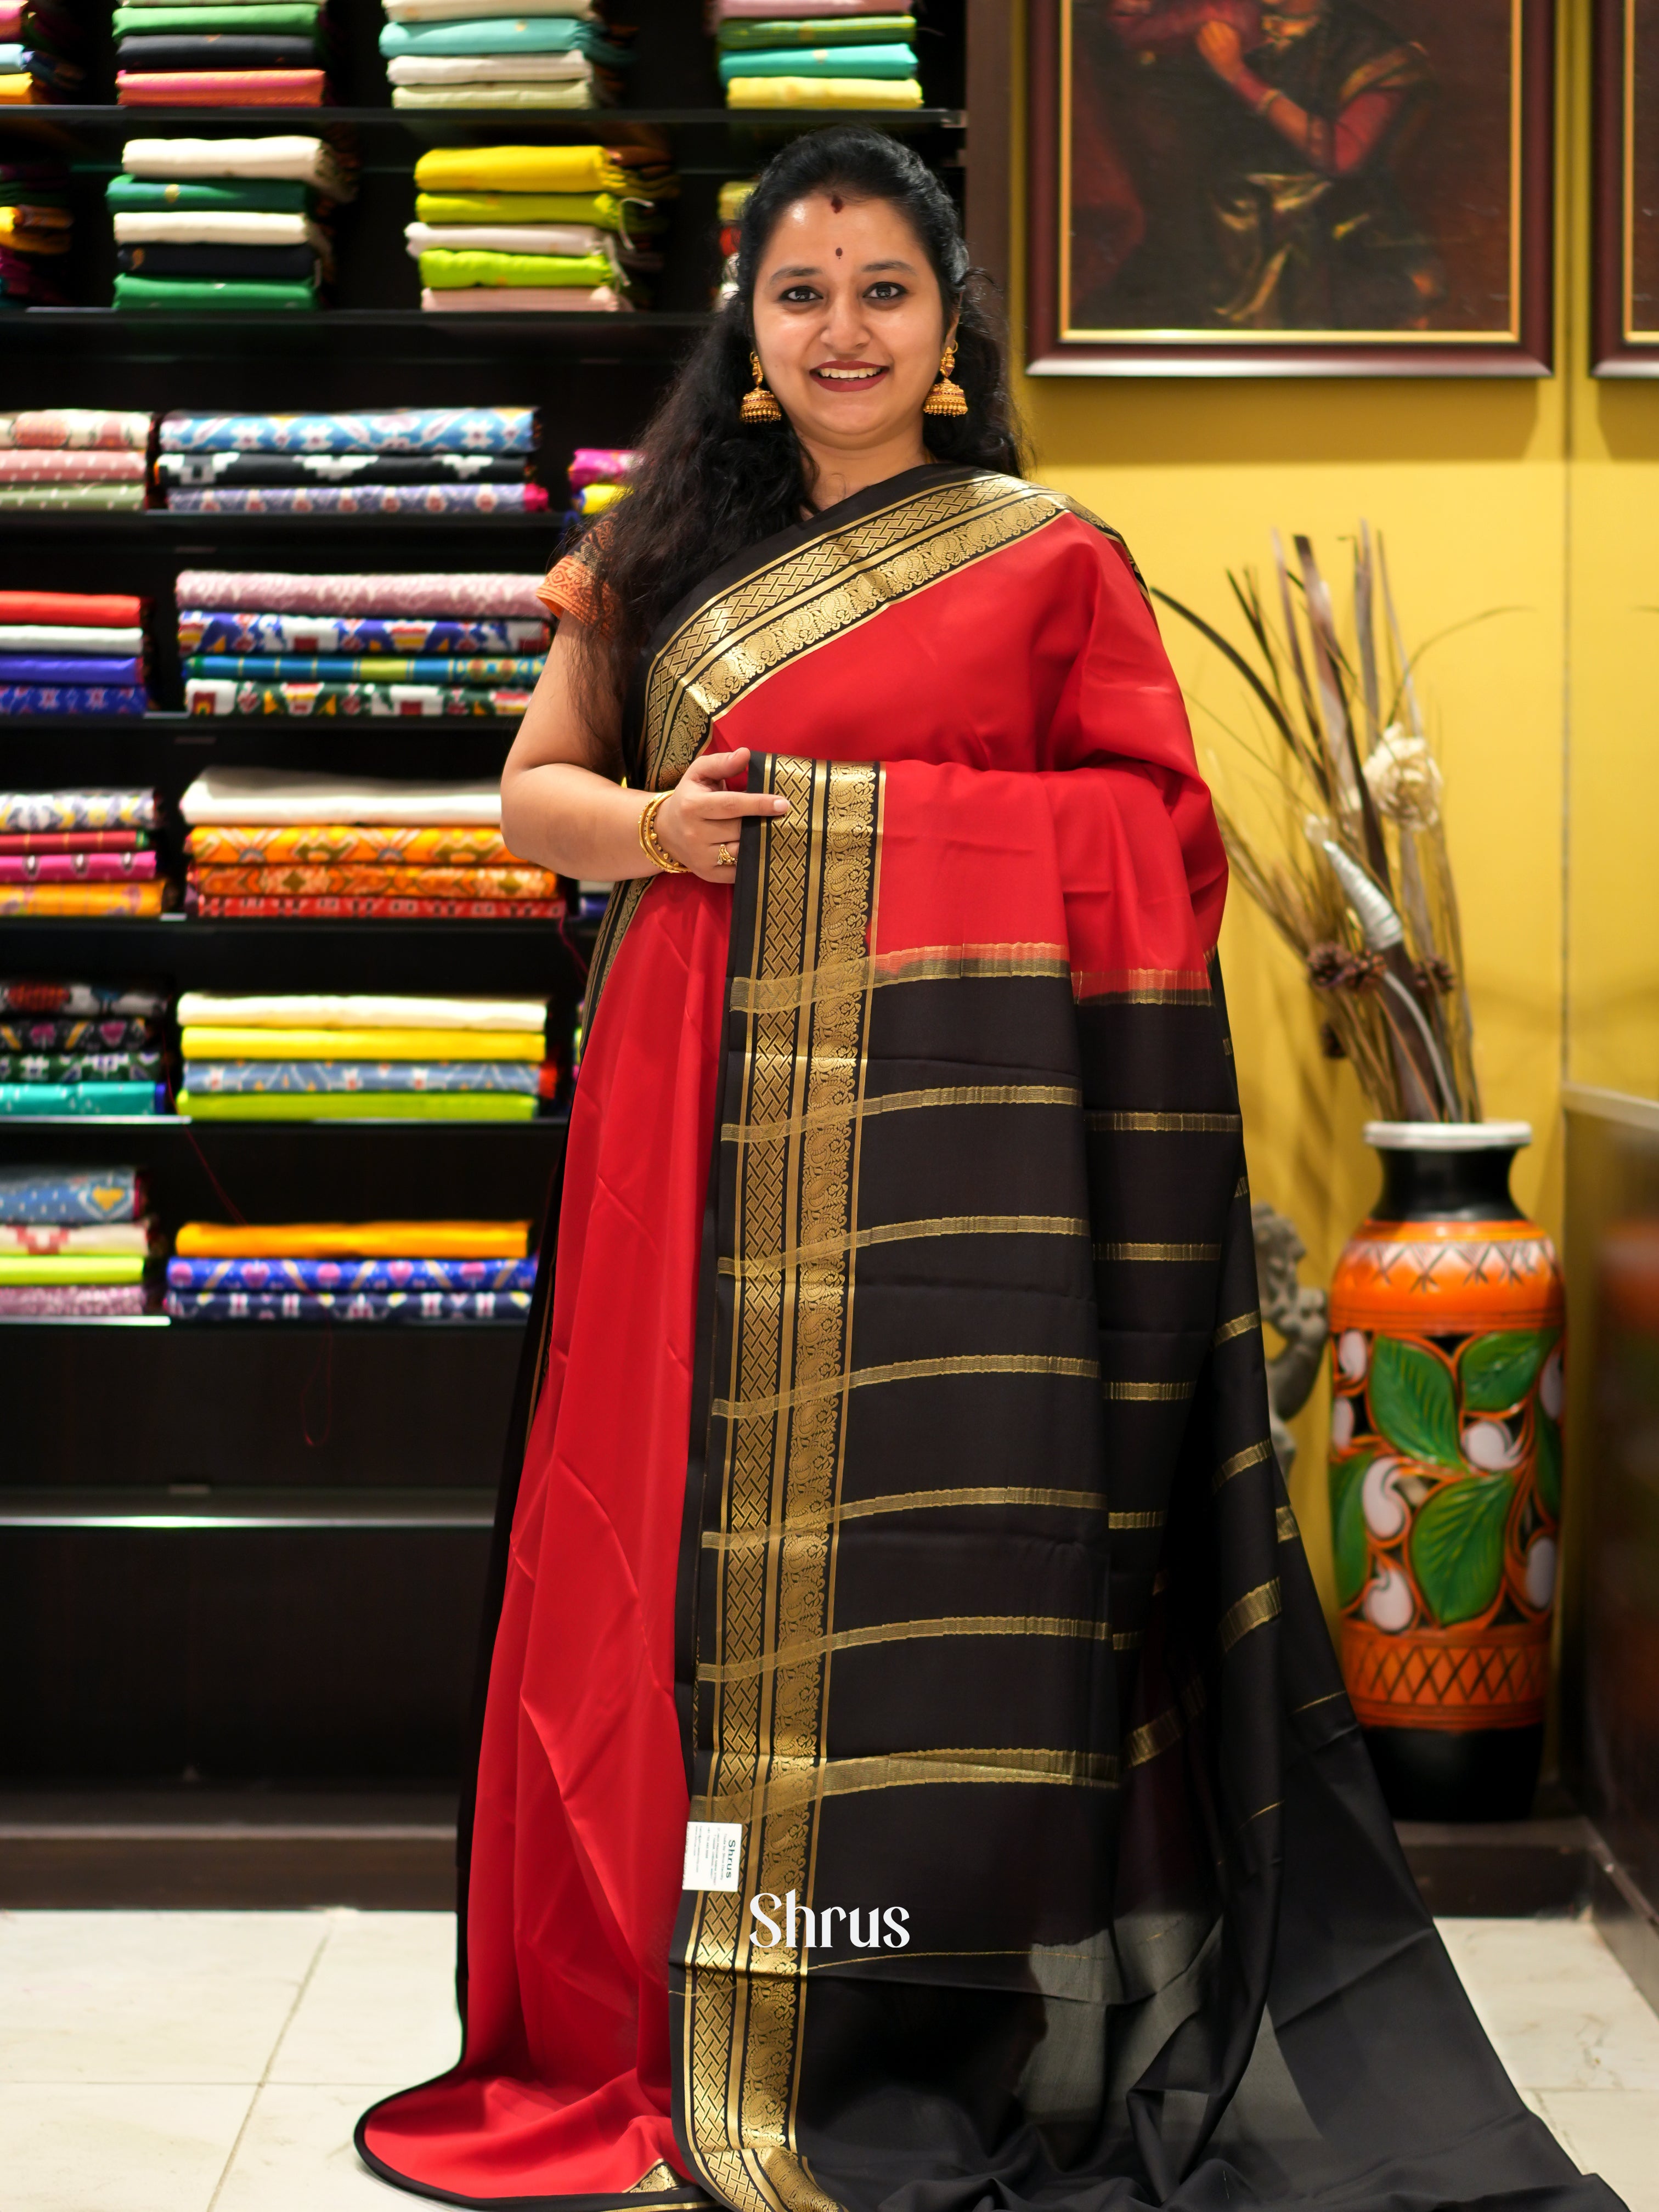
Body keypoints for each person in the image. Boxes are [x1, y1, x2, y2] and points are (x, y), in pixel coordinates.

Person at [357, 126, 1617, 2212]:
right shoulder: (654, 542)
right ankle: (644, 1994)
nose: (837, 325)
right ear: (745, 331)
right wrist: (654, 832)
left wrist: (865, 831)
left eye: (882, 290)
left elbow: (1158, 847)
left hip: (957, 1178)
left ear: (947, 334)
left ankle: (893, 1986)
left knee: (923, 1548)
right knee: (655, 1519)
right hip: (693, 1096)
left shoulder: (1043, 561)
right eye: (798, 289)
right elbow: (530, 798)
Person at [1075, 0, 1441, 330]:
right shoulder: (1231, 16)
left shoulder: (1373, 47)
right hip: (1222, 217)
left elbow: (1340, 154)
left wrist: (1237, 76)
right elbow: (1131, 30)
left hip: (1329, 226)